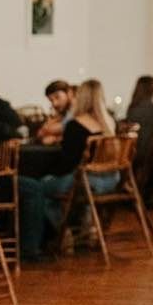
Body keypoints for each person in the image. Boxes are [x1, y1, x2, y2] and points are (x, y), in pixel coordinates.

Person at [20, 79, 120, 258]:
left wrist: (49, 173)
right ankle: (82, 230)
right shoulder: (109, 123)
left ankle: (61, 233)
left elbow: (67, 162)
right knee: (56, 187)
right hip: (111, 179)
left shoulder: (77, 125)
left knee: (39, 188)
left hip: (88, 182)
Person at [37, 79, 75, 145]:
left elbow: (61, 128)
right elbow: (40, 133)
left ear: (69, 93)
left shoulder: (76, 108)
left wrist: (55, 138)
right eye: (51, 100)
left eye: (57, 97)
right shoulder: (64, 112)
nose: (55, 103)